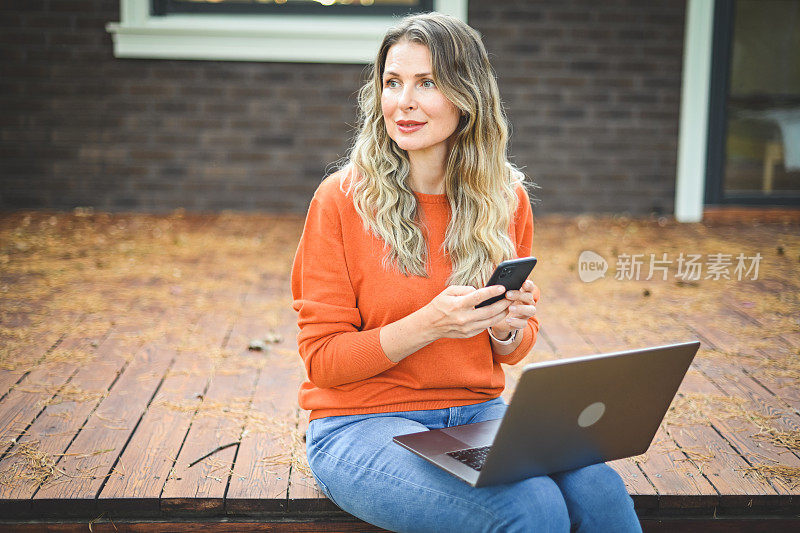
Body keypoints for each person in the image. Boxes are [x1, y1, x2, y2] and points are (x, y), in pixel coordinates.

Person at [290, 12, 641, 533]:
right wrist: (431, 324)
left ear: (467, 96)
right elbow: (322, 361)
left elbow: (512, 349)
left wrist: (508, 326)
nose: (403, 101)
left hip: (477, 414)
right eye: (392, 83)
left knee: (599, 491)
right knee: (529, 507)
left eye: (426, 83)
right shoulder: (342, 199)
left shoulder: (505, 199)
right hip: (360, 423)